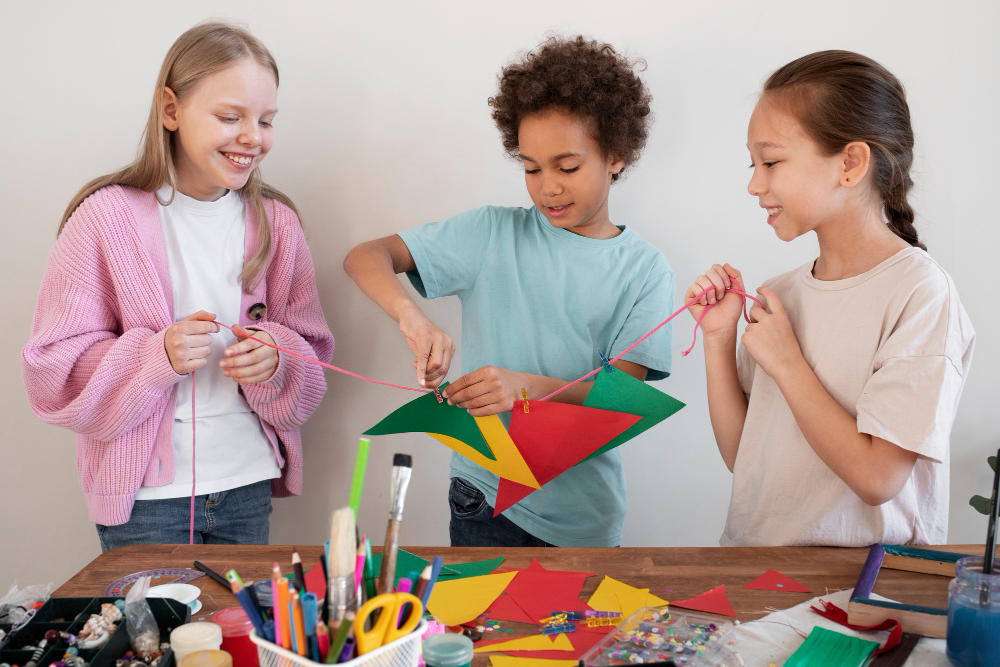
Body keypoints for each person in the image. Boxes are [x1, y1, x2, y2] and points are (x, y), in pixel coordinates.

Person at [345, 36, 673, 547]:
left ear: (617, 155)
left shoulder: (646, 269)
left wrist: (529, 388)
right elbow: (366, 257)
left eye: (567, 167)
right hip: (483, 497)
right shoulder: (490, 234)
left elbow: (623, 401)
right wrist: (413, 317)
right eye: (530, 167)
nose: (548, 187)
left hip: (583, 514)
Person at [22, 22, 334, 550]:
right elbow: (51, 371)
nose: (252, 137)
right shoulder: (104, 218)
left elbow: (314, 355)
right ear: (171, 110)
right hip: (146, 499)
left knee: (238, 633)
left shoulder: (278, 223)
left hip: (246, 484)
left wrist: (277, 358)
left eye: (265, 120)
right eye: (230, 117)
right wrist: (155, 355)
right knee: (151, 635)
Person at [686, 50, 975, 546]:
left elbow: (877, 478)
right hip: (758, 573)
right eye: (752, 163)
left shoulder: (920, 294)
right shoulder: (782, 292)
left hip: (860, 595)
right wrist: (718, 338)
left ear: (850, 163)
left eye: (771, 161)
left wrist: (788, 363)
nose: (755, 184)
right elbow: (742, 455)